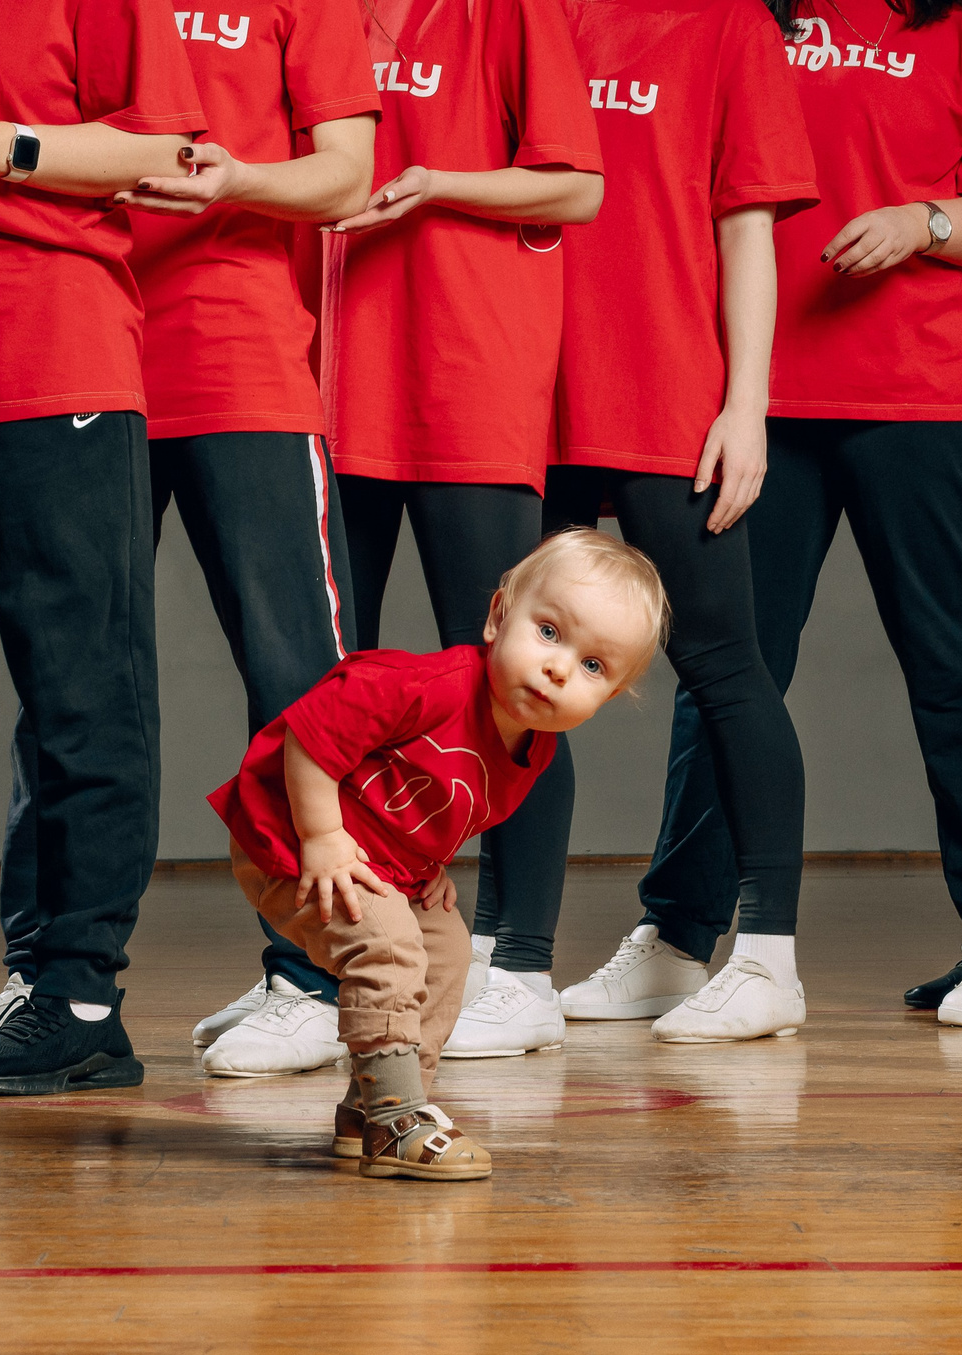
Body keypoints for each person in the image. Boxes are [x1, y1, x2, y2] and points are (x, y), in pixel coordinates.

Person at [0, 0, 383, 1083]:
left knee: (299, 690)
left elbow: (346, 176)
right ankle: (50, 976)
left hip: (232, 363)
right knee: (71, 683)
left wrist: (237, 179)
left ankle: (319, 977)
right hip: (81, 344)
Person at [619, 0, 962, 1030]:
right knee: (726, 668)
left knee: (958, 663)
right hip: (756, 399)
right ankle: (678, 937)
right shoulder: (737, 19)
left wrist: (927, 222)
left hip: (921, 393)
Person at [0, 3, 203, 1096]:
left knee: (82, 691)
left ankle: (82, 998)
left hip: (49, 346)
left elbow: (166, 148)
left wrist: (2, 145)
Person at [318, 0, 605, 1059]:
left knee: (516, 695)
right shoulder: (316, 15)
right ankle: (325, 971)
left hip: (470, 384)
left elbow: (579, 184)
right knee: (331, 694)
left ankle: (518, 964)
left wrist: (437, 184)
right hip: (330, 385)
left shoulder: (506, 12)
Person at [209, 530, 667, 1180]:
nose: (560, 668)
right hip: (285, 833)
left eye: (594, 667)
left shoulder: (529, 750)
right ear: (497, 615)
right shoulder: (428, 686)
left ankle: (370, 1109)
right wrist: (322, 835)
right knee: (391, 947)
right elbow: (311, 732)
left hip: (374, 858)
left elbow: (429, 803)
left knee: (448, 950)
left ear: (610, 696)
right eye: (548, 631)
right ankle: (400, 1118)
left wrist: (425, 873)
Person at [537, 0, 819, 1044]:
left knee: (724, 665)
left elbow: (745, 233)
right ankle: (512, 962)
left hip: (664, 393)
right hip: (532, 390)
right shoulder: (532, 18)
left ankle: (768, 959)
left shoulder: (722, 25)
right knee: (515, 679)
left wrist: (745, 405)